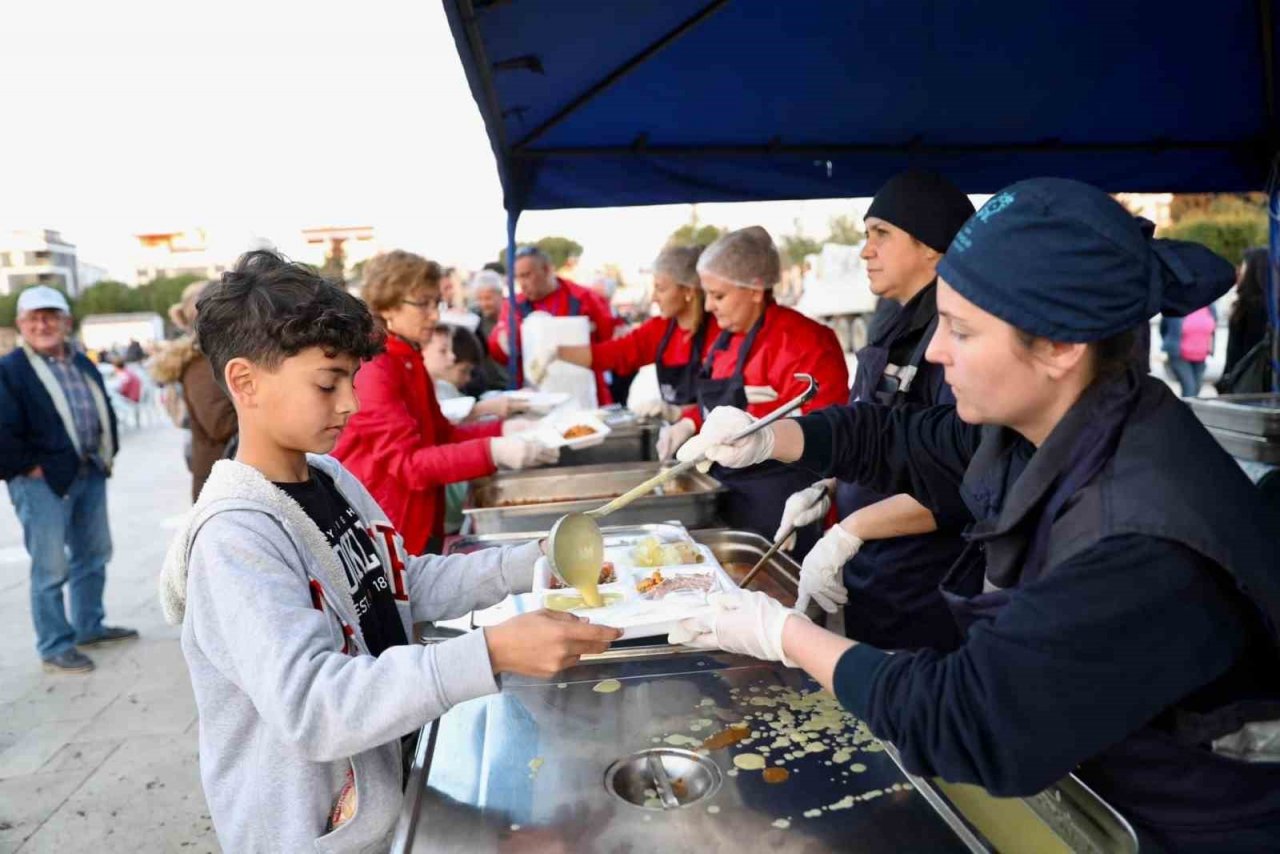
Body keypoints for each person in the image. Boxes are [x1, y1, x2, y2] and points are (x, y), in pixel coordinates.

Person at [671, 178, 1280, 851]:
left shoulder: (1141, 536)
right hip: (1099, 776)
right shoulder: (1055, 424)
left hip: (1191, 826)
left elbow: (969, 718)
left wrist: (780, 634)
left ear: (1058, 345)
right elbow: (898, 436)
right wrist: (774, 437)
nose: (936, 351)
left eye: (961, 331)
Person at [157, 250, 619, 853]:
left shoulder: (328, 477)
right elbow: (313, 705)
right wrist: (492, 650)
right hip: (320, 832)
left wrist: (531, 561)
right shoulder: (237, 538)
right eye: (328, 383)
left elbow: (401, 580)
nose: (350, 402)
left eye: (351, 378)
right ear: (245, 381)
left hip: (387, 785)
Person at [776, 170, 974, 651]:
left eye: (881, 234)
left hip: (929, 591)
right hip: (874, 581)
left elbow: (964, 477)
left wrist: (851, 529)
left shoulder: (958, 338)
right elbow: (875, 432)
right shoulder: (891, 323)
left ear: (931, 244)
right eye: (866, 236)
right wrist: (830, 485)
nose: (865, 250)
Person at [332, 251, 556, 555]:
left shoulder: (407, 359)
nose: (435, 315)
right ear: (387, 307)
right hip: (390, 530)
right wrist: (493, 450)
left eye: (436, 303)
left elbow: (442, 435)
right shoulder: (375, 368)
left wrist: (504, 429)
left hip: (415, 522)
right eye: (422, 304)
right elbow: (409, 465)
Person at [659, 226, 849, 552]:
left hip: (783, 508)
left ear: (756, 290)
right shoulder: (723, 341)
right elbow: (714, 409)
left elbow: (834, 435)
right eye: (708, 296)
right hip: (729, 499)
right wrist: (689, 422)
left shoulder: (808, 343)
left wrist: (824, 500)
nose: (708, 308)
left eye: (719, 296)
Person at [0, 286, 138, 674]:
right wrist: (29, 467)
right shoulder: (10, 370)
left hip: (89, 471)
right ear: (21, 325)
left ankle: (89, 627)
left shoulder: (81, 361)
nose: (42, 325)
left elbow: (100, 407)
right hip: (40, 482)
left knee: (93, 555)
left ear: (66, 322)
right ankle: (54, 645)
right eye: (33, 318)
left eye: (50, 317)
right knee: (51, 567)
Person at [553, 244, 719, 421]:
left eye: (661, 289)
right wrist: (557, 353)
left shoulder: (718, 331)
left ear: (688, 291)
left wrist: (681, 414)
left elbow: (724, 401)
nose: (654, 298)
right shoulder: (659, 329)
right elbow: (613, 354)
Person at [486, 246, 618, 404]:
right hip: (537, 395)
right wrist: (501, 341)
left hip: (582, 392)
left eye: (527, 275)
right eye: (518, 277)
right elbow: (500, 349)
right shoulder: (514, 306)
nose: (522, 283)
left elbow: (610, 338)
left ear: (547, 270)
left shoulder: (584, 298)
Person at [153, 281, 239, 501]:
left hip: (228, 476)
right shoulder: (201, 363)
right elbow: (220, 424)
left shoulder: (214, 356)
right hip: (222, 482)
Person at [424, 324, 528, 422]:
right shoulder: (428, 391)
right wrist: (484, 409)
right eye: (443, 351)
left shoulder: (442, 388)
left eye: (450, 350)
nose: (452, 357)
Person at [1218, 247, 1270, 392]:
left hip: (1249, 386)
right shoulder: (1268, 308)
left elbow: (1235, 354)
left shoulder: (1246, 308)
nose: (1240, 271)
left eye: (1244, 266)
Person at [1160, 302, 1217, 397]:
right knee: (1189, 388)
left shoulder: (1210, 306)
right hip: (1179, 356)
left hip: (1201, 355)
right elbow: (1163, 328)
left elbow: (1213, 328)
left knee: (1197, 388)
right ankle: (1184, 411)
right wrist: (1171, 344)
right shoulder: (1175, 305)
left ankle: (1184, 410)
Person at [467, 269, 510, 392]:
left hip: (513, 382)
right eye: (479, 299)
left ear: (500, 294)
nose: (484, 304)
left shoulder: (514, 317)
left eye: (488, 298)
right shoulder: (475, 319)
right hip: (490, 387)